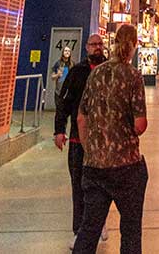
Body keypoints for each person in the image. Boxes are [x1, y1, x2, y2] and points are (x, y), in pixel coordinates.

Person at [74, 24, 148, 254]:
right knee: (131, 231)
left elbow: (81, 118)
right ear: (134, 45)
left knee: (89, 229)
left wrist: (90, 149)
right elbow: (139, 124)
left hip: (95, 167)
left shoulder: (95, 73)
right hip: (126, 166)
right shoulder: (133, 75)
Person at [54, 34, 108, 249]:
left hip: (104, 141)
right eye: (93, 44)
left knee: (103, 183)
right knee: (79, 185)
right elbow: (64, 102)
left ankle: (99, 221)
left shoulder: (110, 69)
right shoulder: (77, 72)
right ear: (86, 47)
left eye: (100, 44)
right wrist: (59, 130)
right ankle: (79, 230)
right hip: (78, 139)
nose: (97, 47)